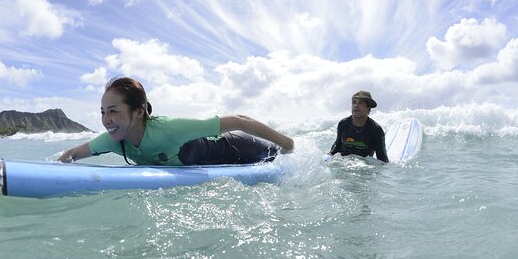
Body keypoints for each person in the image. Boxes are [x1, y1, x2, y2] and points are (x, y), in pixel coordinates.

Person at [59, 77, 294, 165]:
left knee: (276, 155)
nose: (106, 120)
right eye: (102, 112)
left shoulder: (168, 129)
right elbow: (72, 154)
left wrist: (287, 144)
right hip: (211, 161)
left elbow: (239, 120)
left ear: (139, 112)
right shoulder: (114, 140)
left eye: (112, 111)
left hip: (235, 147)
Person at [329, 90, 388, 162]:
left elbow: (382, 159)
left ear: (368, 108)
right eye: (354, 102)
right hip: (343, 163)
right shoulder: (343, 124)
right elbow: (337, 146)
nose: (356, 105)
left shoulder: (376, 130)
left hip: (363, 167)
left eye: (361, 103)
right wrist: (328, 156)